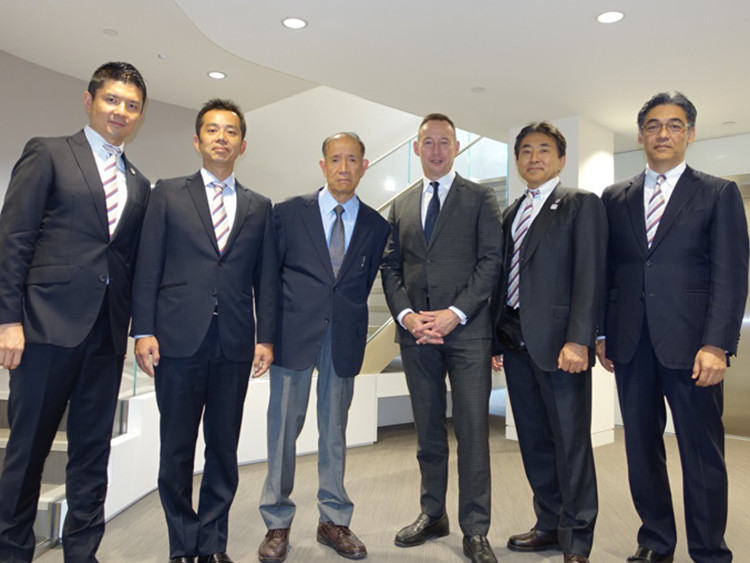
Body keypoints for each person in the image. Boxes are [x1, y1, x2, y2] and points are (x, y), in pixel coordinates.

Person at [0, 61, 150, 562]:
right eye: (112, 99)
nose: (121, 111)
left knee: (92, 455)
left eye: (131, 105)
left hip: (105, 338)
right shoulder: (48, 153)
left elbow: (128, 261)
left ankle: (83, 553)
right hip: (45, 329)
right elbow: (14, 240)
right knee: (28, 452)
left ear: (140, 114)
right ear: (90, 101)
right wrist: (8, 320)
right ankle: (12, 551)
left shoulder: (139, 182)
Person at [597, 91, 749, 563]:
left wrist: (717, 344)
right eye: (654, 125)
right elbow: (608, 271)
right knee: (641, 451)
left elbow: (731, 274)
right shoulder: (614, 197)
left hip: (693, 348)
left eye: (674, 125)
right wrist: (602, 333)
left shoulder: (718, 193)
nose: (663, 133)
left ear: (690, 133)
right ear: (641, 134)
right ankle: (656, 541)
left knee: (702, 454)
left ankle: (709, 550)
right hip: (631, 344)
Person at [132, 99, 278, 563]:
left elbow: (266, 279)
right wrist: (143, 329)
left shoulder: (259, 206)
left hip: (233, 343)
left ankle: (213, 543)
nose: (221, 138)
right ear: (197, 140)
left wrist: (266, 338)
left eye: (230, 131)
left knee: (223, 448)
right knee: (176, 449)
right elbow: (148, 265)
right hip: (177, 341)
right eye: (212, 130)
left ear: (242, 145)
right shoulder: (167, 193)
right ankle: (182, 544)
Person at [257, 132, 389, 562]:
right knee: (283, 430)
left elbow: (360, 285)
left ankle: (333, 519)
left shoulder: (376, 226)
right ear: (322, 165)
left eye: (352, 160)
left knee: (334, 431)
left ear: (364, 166)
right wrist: (266, 338)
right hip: (293, 336)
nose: (343, 168)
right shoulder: (287, 214)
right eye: (335, 159)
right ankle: (277, 522)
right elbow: (269, 280)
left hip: (343, 338)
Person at [381, 113, 503, 563]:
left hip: (467, 334)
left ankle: (475, 529)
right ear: (416, 149)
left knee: (472, 433)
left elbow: (491, 262)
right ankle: (433, 514)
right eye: (428, 142)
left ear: (456, 147)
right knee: (428, 432)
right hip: (417, 336)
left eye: (444, 142)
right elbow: (391, 267)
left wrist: (455, 313)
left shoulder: (481, 197)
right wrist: (407, 316)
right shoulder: (402, 204)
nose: (436, 150)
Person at [491, 123, 606, 563]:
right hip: (515, 342)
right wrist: (496, 340)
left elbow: (590, 274)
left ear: (561, 159)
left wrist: (579, 339)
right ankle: (548, 524)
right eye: (525, 150)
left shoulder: (580, 204)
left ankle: (577, 538)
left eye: (544, 150)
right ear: (517, 160)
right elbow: (503, 280)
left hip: (561, 348)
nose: (534, 157)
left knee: (570, 444)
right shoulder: (511, 212)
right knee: (535, 441)